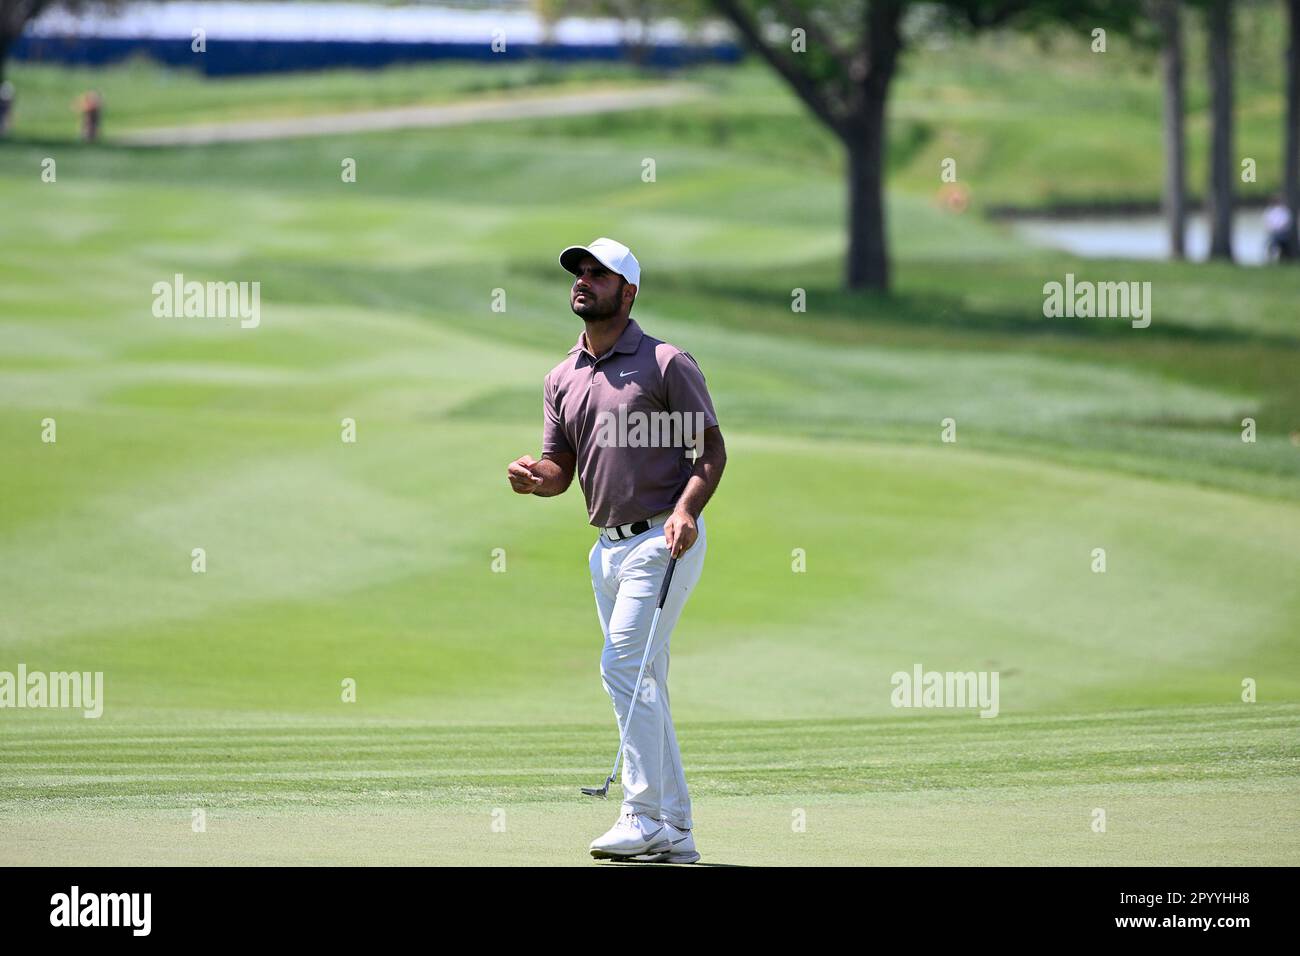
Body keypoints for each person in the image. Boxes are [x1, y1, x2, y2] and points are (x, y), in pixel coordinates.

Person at [506, 237, 726, 863]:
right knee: (643, 679)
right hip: (605, 550)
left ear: (627, 292)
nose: (582, 280)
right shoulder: (563, 376)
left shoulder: (664, 364)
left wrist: (685, 512)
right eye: (578, 272)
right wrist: (534, 478)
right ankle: (676, 831)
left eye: (598, 274)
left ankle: (641, 813)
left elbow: (711, 453)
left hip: (663, 537)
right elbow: (560, 471)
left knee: (621, 667)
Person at [1263, 197, 1295, 261]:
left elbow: (1287, 222)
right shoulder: (1270, 211)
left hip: (1283, 233)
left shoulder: (1284, 210)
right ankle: (1270, 258)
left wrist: (1279, 228)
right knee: (1271, 241)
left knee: (1278, 239)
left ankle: (1284, 257)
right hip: (1274, 233)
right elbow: (1268, 223)